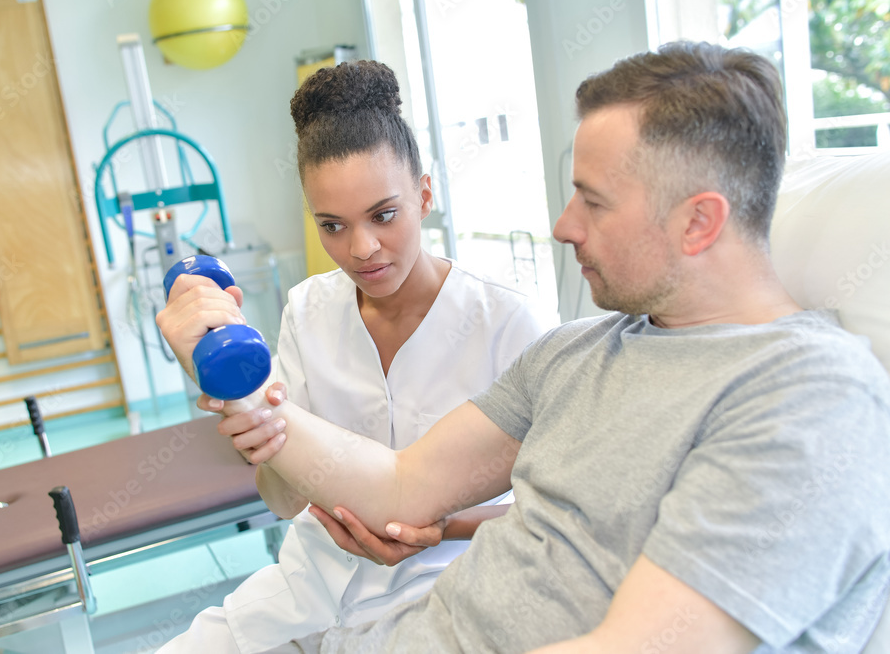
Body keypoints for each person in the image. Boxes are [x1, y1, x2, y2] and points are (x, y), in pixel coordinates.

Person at [212, 41, 890, 653]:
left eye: (592, 202)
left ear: (698, 221)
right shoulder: (575, 352)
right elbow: (402, 485)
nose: (564, 228)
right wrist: (252, 401)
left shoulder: (810, 397)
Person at [154, 60, 546, 652]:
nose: (362, 249)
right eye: (332, 226)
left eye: (384, 216)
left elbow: (555, 517)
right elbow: (283, 500)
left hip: (447, 586)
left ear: (424, 193)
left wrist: (441, 528)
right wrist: (249, 418)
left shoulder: (508, 320)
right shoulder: (307, 310)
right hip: (309, 586)